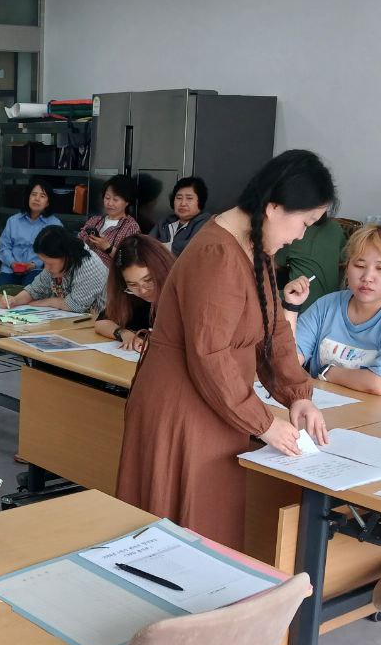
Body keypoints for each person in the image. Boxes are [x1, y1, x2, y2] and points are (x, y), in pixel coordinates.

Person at [116, 149, 335, 550]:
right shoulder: (218, 252)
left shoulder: (254, 246)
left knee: (206, 525)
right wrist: (264, 422)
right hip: (184, 405)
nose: (300, 235)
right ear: (273, 207)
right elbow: (210, 353)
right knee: (186, 531)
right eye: (304, 223)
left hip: (215, 400)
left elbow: (272, 329)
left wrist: (297, 395)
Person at [286, 224, 381, 406]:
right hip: (337, 410)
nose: (367, 277)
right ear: (347, 267)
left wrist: (328, 372)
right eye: (359, 265)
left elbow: (380, 385)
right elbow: (287, 364)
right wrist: (291, 307)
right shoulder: (326, 305)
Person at [3, 225, 109, 315]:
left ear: (66, 255)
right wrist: (15, 300)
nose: (46, 268)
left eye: (50, 263)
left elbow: (76, 306)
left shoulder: (89, 265)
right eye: (44, 263)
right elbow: (35, 289)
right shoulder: (57, 264)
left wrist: (47, 302)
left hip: (100, 324)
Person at [94, 236, 176, 353]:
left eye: (148, 280)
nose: (142, 291)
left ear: (163, 270)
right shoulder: (131, 295)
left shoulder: (183, 296)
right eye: (133, 284)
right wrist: (124, 334)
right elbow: (101, 322)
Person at [0, 181, 62, 289]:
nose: (37, 199)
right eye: (34, 194)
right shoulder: (13, 221)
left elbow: (54, 254)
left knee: (28, 291)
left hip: (38, 270)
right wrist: (12, 263)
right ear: (28, 198)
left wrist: (35, 264)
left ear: (48, 202)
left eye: (42, 196)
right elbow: (4, 248)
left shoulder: (55, 224)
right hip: (10, 269)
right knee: (2, 290)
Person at [277, 215, 348, 311]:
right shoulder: (336, 227)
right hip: (331, 305)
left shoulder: (294, 230)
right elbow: (343, 260)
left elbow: (274, 264)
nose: (300, 236)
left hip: (301, 306)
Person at [78, 174, 141, 265]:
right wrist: (87, 243)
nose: (110, 203)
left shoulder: (131, 227)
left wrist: (108, 248)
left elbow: (130, 261)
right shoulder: (94, 221)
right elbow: (76, 247)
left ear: (127, 202)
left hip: (109, 277)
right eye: (107, 198)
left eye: (115, 200)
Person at [148, 176, 212, 255]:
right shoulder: (164, 223)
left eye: (189, 198)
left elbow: (193, 247)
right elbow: (146, 245)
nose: (183, 203)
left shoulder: (207, 223)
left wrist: (160, 248)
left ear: (200, 201)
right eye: (179, 198)